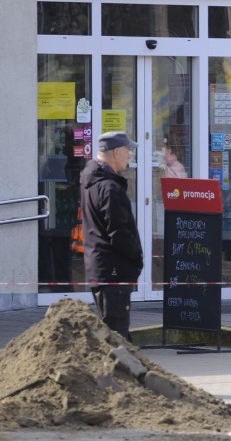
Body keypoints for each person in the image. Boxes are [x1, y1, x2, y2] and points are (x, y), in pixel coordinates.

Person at [80, 131, 143, 341]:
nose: (130, 156)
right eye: (128, 151)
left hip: (102, 269)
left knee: (117, 335)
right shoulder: (109, 188)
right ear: (116, 152)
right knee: (117, 338)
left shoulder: (92, 181)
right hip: (113, 272)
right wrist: (136, 258)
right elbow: (119, 232)